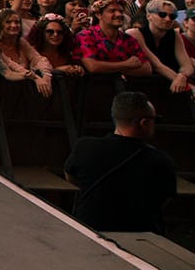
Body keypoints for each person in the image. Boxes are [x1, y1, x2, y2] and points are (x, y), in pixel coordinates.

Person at [65, 91, 177, 234]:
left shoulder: (85, 146)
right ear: (144, 122)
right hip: (139, 234)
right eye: (156, 120)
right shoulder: (160, 161)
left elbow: (70, 177)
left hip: (90, 231)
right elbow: (165, 198)